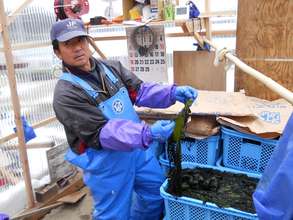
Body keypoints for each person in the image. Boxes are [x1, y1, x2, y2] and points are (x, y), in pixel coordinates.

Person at [50, 18, 197, 220]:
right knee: (114, 214)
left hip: (138, 152)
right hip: (106, 162)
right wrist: (148, 132)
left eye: (81, 40)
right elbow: (102, 132)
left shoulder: (110, 69)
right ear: (57, 52)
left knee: (155, 194)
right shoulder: (66, 94)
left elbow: (140, 91)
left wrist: (172, 93)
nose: (78, 48)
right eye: (68, 44)